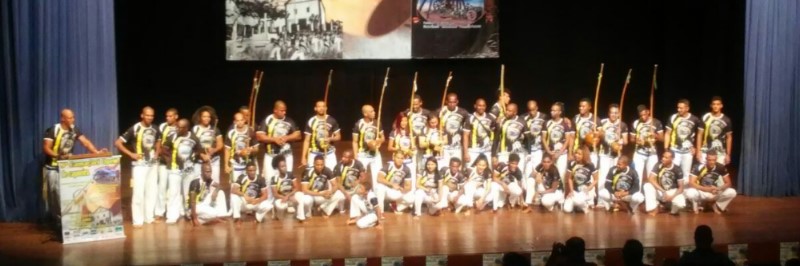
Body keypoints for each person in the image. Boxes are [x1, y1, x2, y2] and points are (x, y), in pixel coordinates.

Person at [42, 109, 106, 219]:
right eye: (70, 117)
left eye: (73, 117)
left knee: (67, 193)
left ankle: (67, 219)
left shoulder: (74, 129)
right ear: (63, 118)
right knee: (55, 194)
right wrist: (58, 156)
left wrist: (97, 152)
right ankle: (58, 219)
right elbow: (46, 148)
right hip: (52, 167)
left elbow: (85, 142)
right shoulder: (53, 130)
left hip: (67, 167)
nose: (73, 119)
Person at [114, 106, 160, 227]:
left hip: (152, 164)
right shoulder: (135, 128)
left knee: (151, 191)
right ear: (142, 115)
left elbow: (158, 141)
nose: (150, 117)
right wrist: (131, 154)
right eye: (147, 115)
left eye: (152, 115)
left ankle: (149, 217)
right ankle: (138, 220)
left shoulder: (155, 128)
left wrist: (156, 153)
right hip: (139, 165)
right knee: (138, 192)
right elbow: (118, 143)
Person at [161, 119, 208, 224]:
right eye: (178, 126)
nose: (178, 129)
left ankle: (188, 212)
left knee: (187, 192)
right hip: (175, 168)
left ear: (187, 128)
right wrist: (169, 159)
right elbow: (164, 148)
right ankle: (172, 215)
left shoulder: (193, 137)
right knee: (174, 192)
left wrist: (194, 155)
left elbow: (199, 149)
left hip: (189, 169)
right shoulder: (173, 136)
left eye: (181, 127)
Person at [256, 100, 301, 180]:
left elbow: (298, 135)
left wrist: (286, 138)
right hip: (271, 156)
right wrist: (274, 139)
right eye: (282, 111)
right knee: (269, 180)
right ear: (275, 110)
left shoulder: (289, 121)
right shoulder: (267, 120)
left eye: (285, 110)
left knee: (287, 179)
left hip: (286, 156)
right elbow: (259, 136)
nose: (284, 113)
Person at [664, 99, 703, 184]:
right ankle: (672, 191)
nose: (679, 110)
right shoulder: (673, 117)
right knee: (672, 172)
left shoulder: (695, 119)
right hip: (674, 150)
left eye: (681, 108)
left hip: (687, 152)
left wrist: (696, 148)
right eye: (678, 108)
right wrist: (666, 149)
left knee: (686, 174)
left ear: (687, 108)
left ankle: (683, 193)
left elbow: (700, 134)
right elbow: (667, 133)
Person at [296, 155, 344, 221]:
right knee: (306, 200)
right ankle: (307, 214)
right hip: (311, 195)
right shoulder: (307, 172)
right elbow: (305, 190)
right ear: (313, 164)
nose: (320, 167)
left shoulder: (327, 170)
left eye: (322, 165)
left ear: (324, 164)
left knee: (339, 194)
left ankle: (324, 210)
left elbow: (335, 185)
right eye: (317, 165)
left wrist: (330, 192)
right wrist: (321, 194)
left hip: (323, 194)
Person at [596, 104, 629, 193]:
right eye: (611, 113)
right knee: (603, 175)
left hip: (616, 155)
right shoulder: (603, 122)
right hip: (604, 154)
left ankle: (613, 198)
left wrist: (621, 141)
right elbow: (599, 134)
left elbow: (626, 141)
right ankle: (601, 200)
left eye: (615, 113)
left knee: (615, 175)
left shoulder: (622, 124)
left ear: (619, 114)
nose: (613, 115)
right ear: (608, 113)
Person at [643, 150, 687, 215]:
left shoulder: (677, 169)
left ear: (672, 159)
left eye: (666, 158)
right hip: (661, 191)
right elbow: (651, 179)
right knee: (647, 185)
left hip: (672, 191)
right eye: (663, 157)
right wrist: (663, 191)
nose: (663, 159)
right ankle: (653, 208)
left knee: (681, 204)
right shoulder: (658, 165)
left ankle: (672, 210)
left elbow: (681, 188)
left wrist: (672, 196)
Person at [301, 101, 341, 170]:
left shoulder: (331, 120)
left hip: (329, 153)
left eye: (323, 106)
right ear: (315, 108)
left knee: (332, 175)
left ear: (326, 108)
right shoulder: (311, 121)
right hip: (314, 153)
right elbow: (307, 140)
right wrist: (303, 157)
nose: (321, 108)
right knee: (313, 175)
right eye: (319, 106)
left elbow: (338, 137)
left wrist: (330, 139)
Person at [630, 105, 664, 185]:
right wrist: (636, 141)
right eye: (641, 115)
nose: (643, 117)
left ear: (648, 112)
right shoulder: (636, 123)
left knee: (651, 176)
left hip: (652, 153)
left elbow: (662, 138)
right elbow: (631, 139)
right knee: (637, 174)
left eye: (644, 115)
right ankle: (637, 194)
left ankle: (651, 194)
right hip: (639, 153)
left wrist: (655, 135)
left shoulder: (656, 122)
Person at [352, 104, 384, 187]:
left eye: (374, 110)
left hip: (375, 154)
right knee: (361, 177)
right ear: (365, 114)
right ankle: (359, 195)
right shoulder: (358, 124)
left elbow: (383, 138)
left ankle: (377, 196)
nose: (374, 112)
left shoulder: (377, 122)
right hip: (363, 155)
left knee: (377, 177)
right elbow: (355, 141)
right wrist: (356, 155)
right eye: (371, 111)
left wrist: (378, 141)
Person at [155, 108, 179, 220]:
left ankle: (173, 212)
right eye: (167, 116)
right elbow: (159, 141)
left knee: (174, 190)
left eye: (170, 116)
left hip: (175, 163)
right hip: (163, 162)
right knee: (162, 187)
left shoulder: (180, 127)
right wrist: (157, 153)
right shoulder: (162, 126)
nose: (168, 118)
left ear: (176, 117)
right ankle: (159, 212)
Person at [435, 93, 470, 168]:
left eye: (454, 102)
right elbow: (431, 121)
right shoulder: (440, 111)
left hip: (456, 147)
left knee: (456, 167)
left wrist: (465, 151)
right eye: (450, 102)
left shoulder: (463, 113)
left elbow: (466, 131)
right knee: (443, 168)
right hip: (443, 147)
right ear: (446, 101)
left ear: (457, 102)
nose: (452, 104)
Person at [542, 102, 574, 182]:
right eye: (551, 110)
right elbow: (543, 138)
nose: (552, 112)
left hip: (562, 154)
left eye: (555, 110)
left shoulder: (565, 123)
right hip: (550, 153)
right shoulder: (547, 123)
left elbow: (567, 139)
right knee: (549, 174)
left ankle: (561, 192)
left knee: (561, 173)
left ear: (560, 112)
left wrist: (559, 153)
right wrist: (548, 151)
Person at [191, 106, 224, 184]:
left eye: (208, 117)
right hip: (199, 161)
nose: (207, 118)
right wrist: (202, 155)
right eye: (204, 116)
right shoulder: (195, 129)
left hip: (213, 161)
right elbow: (193, 146)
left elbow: (220, 145)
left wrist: (214, 150)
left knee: (214, 183)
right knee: (199, 183)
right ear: (200, 117)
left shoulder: (215, 129)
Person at [463, 98, 497, 168]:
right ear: (475, 106)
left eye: (483, 106)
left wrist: (494, 154)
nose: (481, 107)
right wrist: (466, 152)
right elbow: (465, 135)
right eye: (479, 105)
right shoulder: (470, 118)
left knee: (488, 171)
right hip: (473, 150)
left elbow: (494, 134)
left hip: (487, 150)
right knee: (470, 171)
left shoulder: (490, 118)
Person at [225, 112, 258, 183]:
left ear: (244, 120)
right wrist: (226, 165)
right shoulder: (231, 133)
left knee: (248, 185)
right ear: (234, 122)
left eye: (241, 120)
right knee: (235, 185)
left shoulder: (250, 131)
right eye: (238, 120)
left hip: (248, 164)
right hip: (235, 164)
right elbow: (227, 149)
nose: (240, 122)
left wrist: (251, 150)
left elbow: (256, 148)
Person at [522, 100, 548, 192]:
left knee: (538, 171)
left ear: (537, 108)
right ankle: (528, 195)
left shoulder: (544, 117)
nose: (531, 112)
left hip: (539, 150)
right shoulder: (524, 117)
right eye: (529, 110)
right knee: (527, 173)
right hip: (527, 150)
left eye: (533, 110)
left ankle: (539, 193)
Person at [563, 147, 598, 213]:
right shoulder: (572, 163)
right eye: (576, 153)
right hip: (575, 190)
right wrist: (571, 191)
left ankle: (585, 205)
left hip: (585, 190)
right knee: (566, 209)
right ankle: (577, 205)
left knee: (578, 201)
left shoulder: (590, 165)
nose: (576, 155)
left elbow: (596, 179)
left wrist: (589, 188)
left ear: (584, 155)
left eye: (579, 154)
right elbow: (569, 178)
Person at [699, 97, 733, 165]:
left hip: (720, 153)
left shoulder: (726, 120)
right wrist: (698, 151)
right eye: (714, 104)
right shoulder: (705, 117)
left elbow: (729, 137)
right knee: (704, 173)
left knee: (718, 174)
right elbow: (700, 134)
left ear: (721, 106)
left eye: (718, 104)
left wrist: (728, 154)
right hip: (705, 151)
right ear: (711, 105)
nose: (715, 106)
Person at [405, 94, 432, 172]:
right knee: (412, 164)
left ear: (421, 103)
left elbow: (432, 124)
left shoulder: (427, 113)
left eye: (416, 104)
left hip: (423, 143)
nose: (414, 106)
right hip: (412, 142)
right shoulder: (407, 112)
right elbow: (398, 123)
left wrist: (427, 135)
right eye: (412, 104)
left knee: (422, 164)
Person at [270, 155, 297, 220]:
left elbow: (296, 188)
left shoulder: (291, 174)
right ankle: (276, 211)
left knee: (300, 198)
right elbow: (275, 194)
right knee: (281, 209)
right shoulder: (274, 179)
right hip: (280, 198)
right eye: (282, 166)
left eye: (285, 166)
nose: (284, 168)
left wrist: (288, 196)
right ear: (277, 168)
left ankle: (299, 215)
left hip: (289, 196)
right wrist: (284, 198)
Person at [573, 98, 598, 166]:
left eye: (583, 106)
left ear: (589, 107)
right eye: (580, 106)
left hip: (591, 151)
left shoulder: (595, 119)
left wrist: (597, 134)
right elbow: (572, 136)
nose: (581, 108)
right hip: (578, 150)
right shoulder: (576, 118)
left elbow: (602, 134)